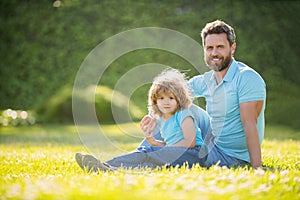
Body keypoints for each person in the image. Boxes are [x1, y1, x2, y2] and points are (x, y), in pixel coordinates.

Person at [140, 20, 266, 168]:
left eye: (220, 47)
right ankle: (142, 153)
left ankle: (141, 157)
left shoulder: (247, 78)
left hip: (230, 155)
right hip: (212, 137)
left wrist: (257, 167)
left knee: (175, 112)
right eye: (209, 48)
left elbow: (249, 124)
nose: (214, 53)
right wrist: (152, 116)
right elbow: (172, 92)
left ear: (232, 48)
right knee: (174, 104)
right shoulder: (206, 80)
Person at [75, 68, 210, 172]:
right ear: (155, 101)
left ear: (179, 99)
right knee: (148, 162)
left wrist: (162, 149)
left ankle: (106, 164)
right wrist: (154, 141)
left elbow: (190, 142)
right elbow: (171, 144)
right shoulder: (163, 119)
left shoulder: (184, 114)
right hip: (178, 154)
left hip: (193, 155)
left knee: (147, 153)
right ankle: (109, 169)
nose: (166, 102)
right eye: (161, 99)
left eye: (171, 98)